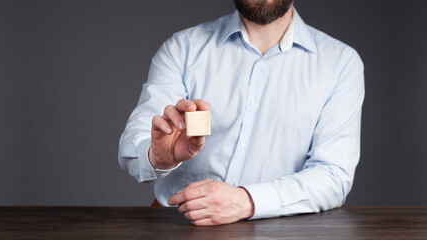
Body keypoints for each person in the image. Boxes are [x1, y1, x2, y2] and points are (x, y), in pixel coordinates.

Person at [118, 0, 364, 226]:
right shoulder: (183, 50)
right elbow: (132, 148)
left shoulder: (340, 63)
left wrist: (245, 201)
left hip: (280, 230)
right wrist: (158, 157)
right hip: (179, 226)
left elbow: (333, 176)